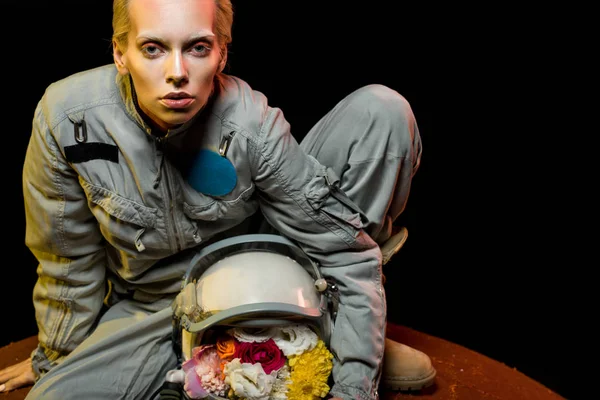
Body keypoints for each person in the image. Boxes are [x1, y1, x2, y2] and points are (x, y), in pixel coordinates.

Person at [0, 0, 435, 399]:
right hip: (157, 307)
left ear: (222, 54)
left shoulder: (251, 124)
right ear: (119, 53)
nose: (176, 72)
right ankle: (233, 349)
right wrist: (56, 358)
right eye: (152, 48)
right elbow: (66, 260)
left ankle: (328, 327)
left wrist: (356, 385)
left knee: (383, 110)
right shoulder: (67, 120)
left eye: (198, 48)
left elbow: (345, 254)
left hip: (270, 272)